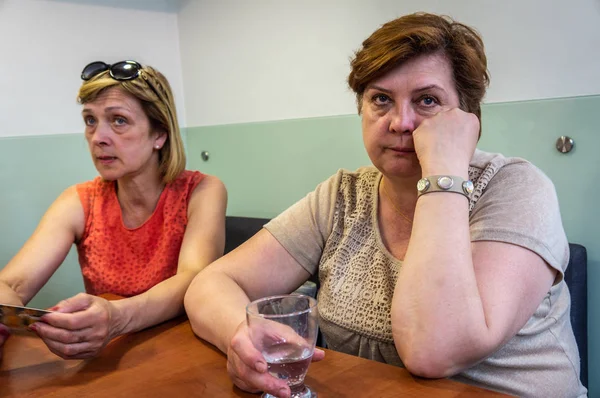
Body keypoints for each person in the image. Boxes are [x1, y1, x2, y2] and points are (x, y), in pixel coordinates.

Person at [184, 12, 586, 398]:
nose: (400, 122)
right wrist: (243, 337)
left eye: (427, 100)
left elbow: (434, 350)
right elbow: (210, 286)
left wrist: (443, 170)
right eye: (381, 99)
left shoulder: (515, 187)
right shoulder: (343, 194)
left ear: (467, 118)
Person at [0, 61, 227, 361]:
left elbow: (193, 278)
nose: (98, 137)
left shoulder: (202, 191)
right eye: (90, 120)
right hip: (112, 361)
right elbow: (10, 284)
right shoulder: (80, 201)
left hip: (185, 354)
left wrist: (118, 317)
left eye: (119, 120)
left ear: (159, 134)